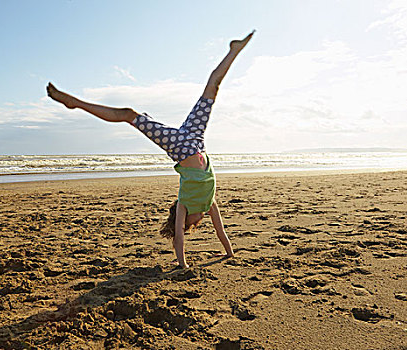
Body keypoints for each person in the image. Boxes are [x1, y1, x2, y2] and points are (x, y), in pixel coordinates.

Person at [46, 31, 255, 268]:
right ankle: (234, 50)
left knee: (130, 115)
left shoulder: (184, 204)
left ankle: (233, 50)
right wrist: (230, 253)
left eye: (193, 225)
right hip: (197, 140)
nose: (197, 223)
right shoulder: (209, 203)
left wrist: (182, 265)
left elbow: (178, 239)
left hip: (178, 147)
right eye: (194, 225)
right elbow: (222, 231)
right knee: (210, 93)